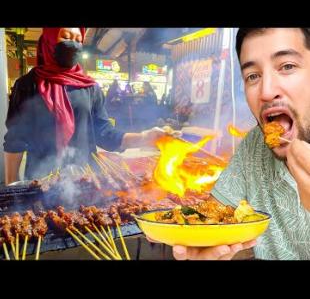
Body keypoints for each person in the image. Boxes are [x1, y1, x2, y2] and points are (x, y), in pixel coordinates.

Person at [151, 28, 310, 260]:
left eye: (287, 66)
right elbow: (213, 215)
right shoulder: (254, 145)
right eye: (252, 76)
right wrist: (201, 239)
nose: (266, 92)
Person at [3, 28, 169, 185]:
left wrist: (145, 137)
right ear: (50, 38)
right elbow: (15, 140)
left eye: (78, 40)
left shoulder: (90, 87)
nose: (73, 44)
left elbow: (105, 133)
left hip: (84, 181)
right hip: (40, 181)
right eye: (66, 37)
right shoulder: (26, 85)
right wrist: (12, 186)